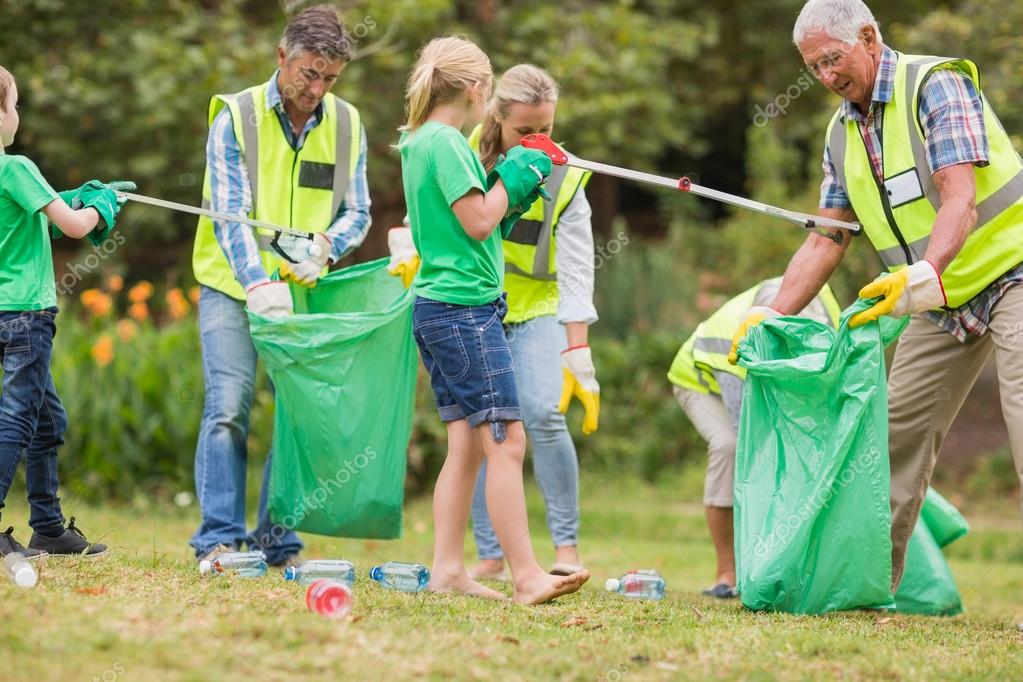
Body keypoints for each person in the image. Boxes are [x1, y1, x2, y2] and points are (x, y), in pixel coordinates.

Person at [730, 0, 1023, 589]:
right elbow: (826, 239)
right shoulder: (841, 133)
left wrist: (926, 271)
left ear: (868, 36)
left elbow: (958, 194)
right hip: (937, 302)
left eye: (832, 60)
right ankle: (864, 587)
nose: (825, 77)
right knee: (890, 447)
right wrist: (768, 314)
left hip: (1012, 271)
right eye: (812, 68)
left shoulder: (934, 86)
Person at [398, 36, 589, 605]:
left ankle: (448, 569)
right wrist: (517, 175)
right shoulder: (450, 144)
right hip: (465, 313)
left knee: (465, 445)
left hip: (437, 307)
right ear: (479, 90)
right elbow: (481, 220)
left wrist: (517, 193)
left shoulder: (418, 141)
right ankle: (528, 575)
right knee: (505, 443)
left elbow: (470, 227)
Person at [189, 5, 371, 568]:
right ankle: (219, 538)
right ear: (281, 57)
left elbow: (357, 212)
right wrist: (257, 281)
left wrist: (326, 247)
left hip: (302, 290)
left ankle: (276, 542)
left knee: (295, 415)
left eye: (329, 78)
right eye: (308, 73)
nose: (317, 88)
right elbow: (229, 214)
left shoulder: (346, 124)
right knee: (229, 404)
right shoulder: (236, 117)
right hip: (230, 285)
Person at [464, 64, 597, 580]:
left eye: (546, 128)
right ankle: (490, 553)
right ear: (497, 115)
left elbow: (578, 265)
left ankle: (566, 547)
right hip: (479, 302)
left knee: (542, 412)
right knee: (486, 423)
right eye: (526, 131)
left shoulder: (566, 173)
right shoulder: (464, 153)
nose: (538, 141)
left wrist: (576, 348)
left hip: (539, 306)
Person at [0, 65, 129, 559]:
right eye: (14, 104)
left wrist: (70, 199)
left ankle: (49, 528)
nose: (18, 113)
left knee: (47, 420)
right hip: (28, 317)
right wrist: (102, 205)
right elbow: (75, 228)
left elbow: (31, 228)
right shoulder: (17, 167)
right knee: (17, 420)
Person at [669, 277, 839, 597]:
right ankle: (727, 573)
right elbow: (755, 440)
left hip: (749, 375)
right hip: (701, 381)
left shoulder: (826, 305)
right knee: (731, 448)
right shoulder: (744, 342)